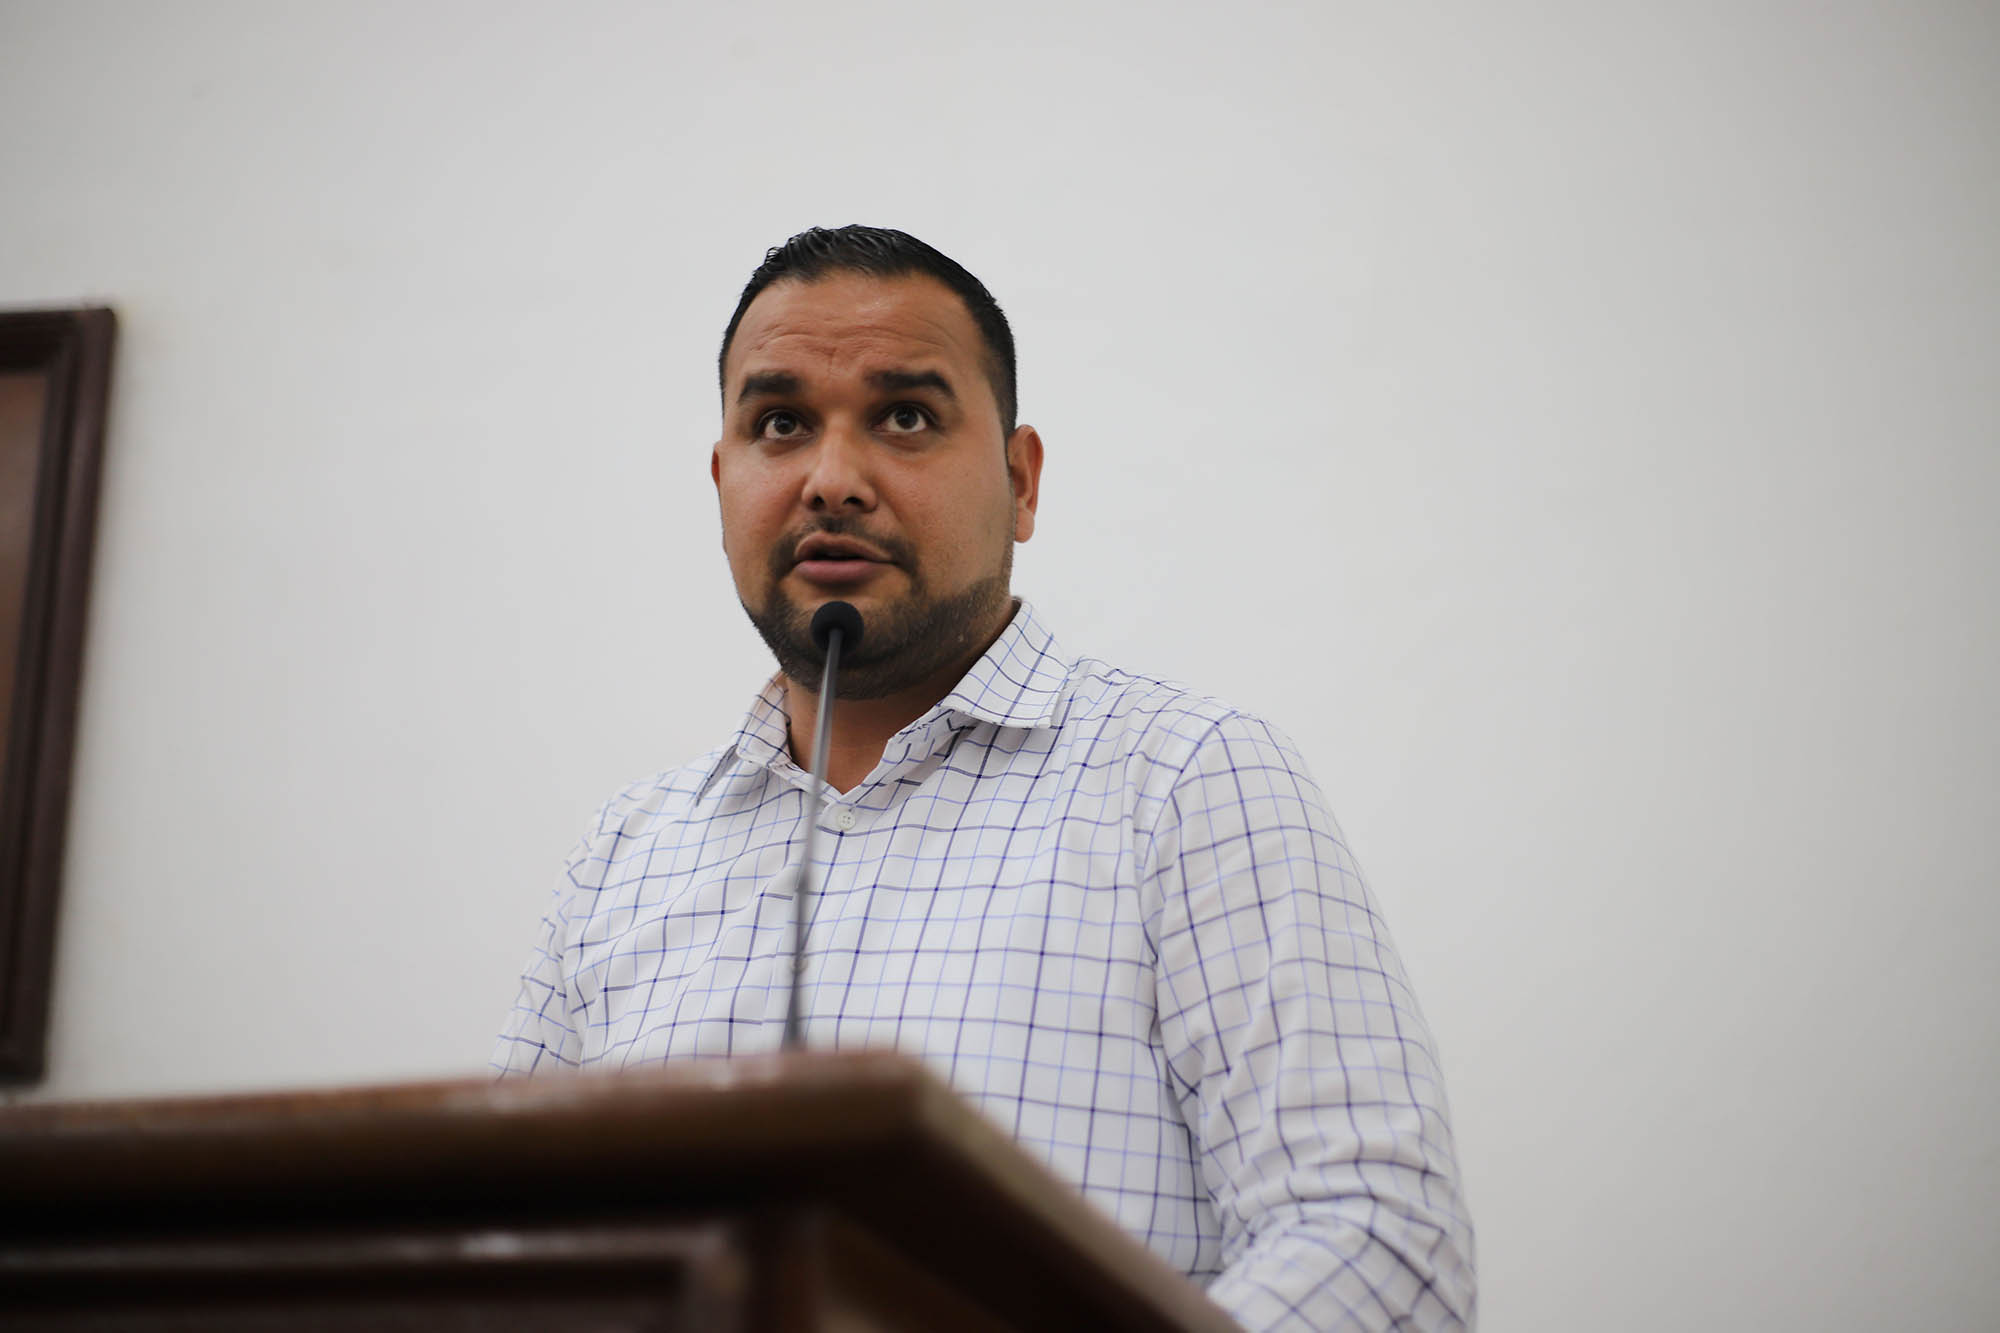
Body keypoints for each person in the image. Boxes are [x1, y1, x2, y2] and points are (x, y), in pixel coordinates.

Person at [493, 225, 1476, 1331]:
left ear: (1019, 481)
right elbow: (493, 1261)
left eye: (905, 417)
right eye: (780, 424)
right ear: (723, 483)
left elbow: (1378, 1243)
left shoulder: (1183, 781)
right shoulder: (624, 853)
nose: (831, 481)